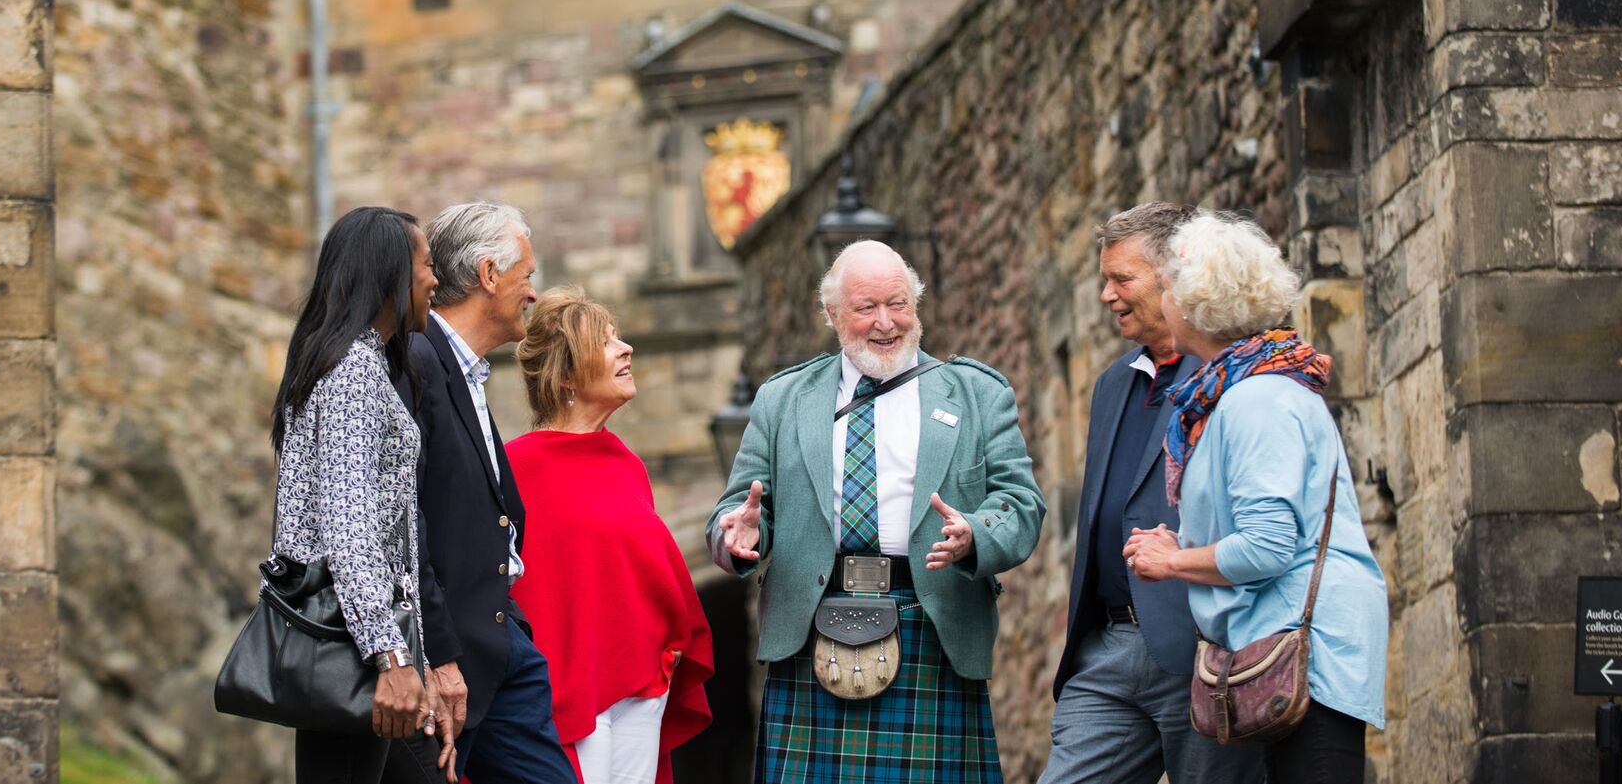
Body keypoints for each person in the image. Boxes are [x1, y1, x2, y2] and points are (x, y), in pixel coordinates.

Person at [706, 239, 1046, 783]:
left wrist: (977, 534)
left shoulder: (977, 395)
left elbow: (1021, 505)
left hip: (928, 626)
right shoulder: (784, 399)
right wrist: (741, 536)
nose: (886, 323)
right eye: (867, 308)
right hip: (810, 634)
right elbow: (737, 511)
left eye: (899, 304)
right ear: (833, 315)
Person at [1125, 211, 1388, 784]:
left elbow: (1268, 547)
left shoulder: (1256, 399)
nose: (1162, 299)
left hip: (1307, 649)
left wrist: (1172, 562)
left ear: (1196, 303)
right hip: (1281, 642)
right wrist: (1184, 544)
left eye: (1167, 286)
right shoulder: (1240, 391)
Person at [1040, 203, 1262, 784]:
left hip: (1203, 645)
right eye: (1104, 279)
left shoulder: (1232, 371)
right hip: (1107, 650)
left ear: (1172, 276)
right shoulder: (1113, 383)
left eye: (1122, 279)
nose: (1108, 296)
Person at [267, 207, 453, 783]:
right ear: (389, 275)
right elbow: (349, 526)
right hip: (354, 654)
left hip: (366, 652)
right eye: (426, 266)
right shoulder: (350, 370)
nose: (434, 281)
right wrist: (391, 657)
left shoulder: (360, 363)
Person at [506, 288, 715, 784]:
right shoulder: (514, 467)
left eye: (619, 337)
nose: (626, 349)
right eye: (606, 342)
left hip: (641, 685)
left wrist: (665, 654)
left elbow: (643, 570)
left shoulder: (624, 463)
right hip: (561, 693)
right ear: (565, 376)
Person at [404, 201, 578, 784]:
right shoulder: (416, 360)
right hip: (446, 658)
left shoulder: (468, 368)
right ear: (487, 275)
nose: (532, 292)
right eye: (526, 276)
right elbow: (404, 522)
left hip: (501, 648)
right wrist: (438, 654)